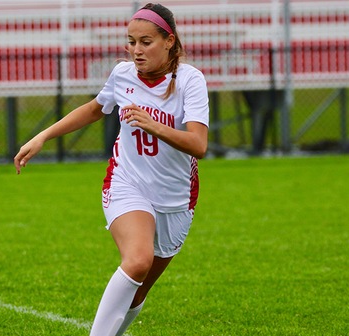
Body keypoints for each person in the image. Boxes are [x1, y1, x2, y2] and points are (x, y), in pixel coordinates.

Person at [14, 3, 209, 335]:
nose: (136, 50)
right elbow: (94, 108)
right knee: (136, 261)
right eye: (131, 42)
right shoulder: (122, 74)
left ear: (169, 41)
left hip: (176, 199)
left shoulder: (191, 81)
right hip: (127, 183)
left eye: (145, 42)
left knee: (140, 287)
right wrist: (43, 135)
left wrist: (155, 126)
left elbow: (199, 145)